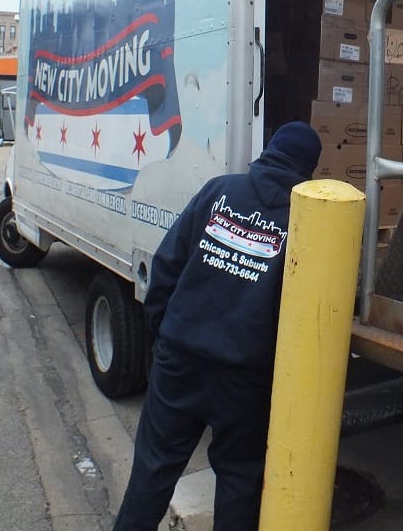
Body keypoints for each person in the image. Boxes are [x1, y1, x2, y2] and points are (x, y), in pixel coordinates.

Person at [112, 121, 323, 530]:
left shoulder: (219, 190)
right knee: (239, 480)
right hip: (244, 378)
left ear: (269, 151)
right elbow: (300, 316)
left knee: (153, 470)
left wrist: (164, 337)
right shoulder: (306, 222)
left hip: (180, 358)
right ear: (308, 170)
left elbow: (166, 265)